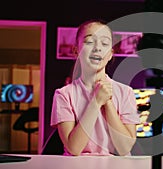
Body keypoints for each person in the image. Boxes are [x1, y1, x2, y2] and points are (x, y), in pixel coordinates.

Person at [50, 19, 140, 156]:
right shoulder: (64, 94)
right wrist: (96, 101)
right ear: (76, 51)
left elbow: (124, 148)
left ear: (110, 54)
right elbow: (74, 148)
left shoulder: (125, 92)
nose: (97, 48)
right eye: (89, 42)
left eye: (104, 43)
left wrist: (108, 102)